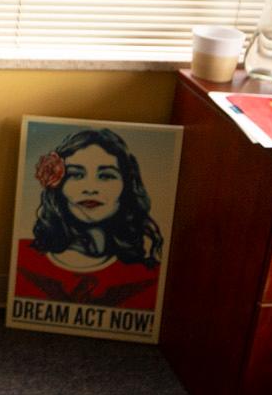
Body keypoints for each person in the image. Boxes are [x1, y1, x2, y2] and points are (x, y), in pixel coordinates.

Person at [13, 128, 164, 308]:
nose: (90, 188)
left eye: (106, 175)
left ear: (126, 186)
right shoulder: (25, 258)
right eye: (76, 174)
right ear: (57, 184)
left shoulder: (147, 274)